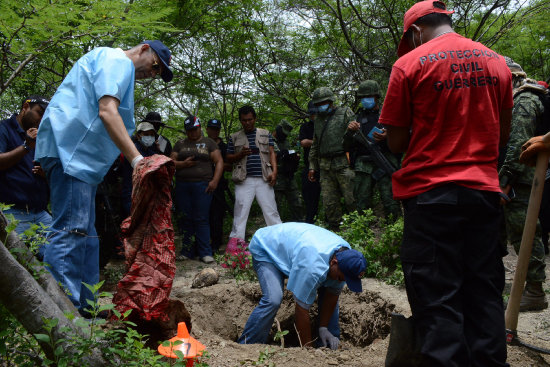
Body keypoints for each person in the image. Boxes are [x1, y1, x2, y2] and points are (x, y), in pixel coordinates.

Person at [379, 1, 513, 366]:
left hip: (430, 196)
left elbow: (396, 142)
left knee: (438, 299)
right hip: (483, 194)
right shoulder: (496, 61)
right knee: (484, 294)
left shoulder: (408, 65)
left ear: (415, 30)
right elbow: (502, 135)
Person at [35, 40, 174, 315]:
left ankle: (86, 306)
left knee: (87, 235)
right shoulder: (116, 61)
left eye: (157, 74)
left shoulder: (116, 67)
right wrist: (138, 161)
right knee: (71, 230)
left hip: (81, 161)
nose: (152, 73)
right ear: (144, 48)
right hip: (70, 154)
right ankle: (62, 311)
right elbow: (107, 111)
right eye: (156, 65)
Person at [237, 222, 367, 349]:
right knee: (273, 299)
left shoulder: (347, 258)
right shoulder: (312, 268)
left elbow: (332, 294)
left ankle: (327, 346)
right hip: (267, 248)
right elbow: (301, 309)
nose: (341, 281)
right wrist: (307, 351)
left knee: (331, 289)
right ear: (334, 262)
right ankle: (248, 344)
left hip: (295, 250)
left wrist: (323, 328)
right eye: (341, 278)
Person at [499, 57, 548, 311]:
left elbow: (518, 143)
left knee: (525, 232)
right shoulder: (516, 100)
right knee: (495, 232)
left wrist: (505, 181)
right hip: (512, 178)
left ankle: (534, 290)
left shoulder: (525, 99)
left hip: (520, 180)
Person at [0, 95, 52, 257]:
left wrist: (46, 174)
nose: (42, 118)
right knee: (22, 263)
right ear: (25, 107)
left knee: (57, 254)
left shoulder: (42, 137)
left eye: (45, 115)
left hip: (40, 212)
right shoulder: (4, 129)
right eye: (39, 112)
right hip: (13, 213)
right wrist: (26, 146)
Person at [225, 105, 282, 253]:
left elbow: (271, 153)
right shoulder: (235, 137)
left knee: (271, 212)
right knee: (240, 214)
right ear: (240, 121)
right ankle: (235, 250)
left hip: (264, 179)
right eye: (244, 120)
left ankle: (280, 244)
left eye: (250, 119)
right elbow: (228, 157)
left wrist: (275, 172)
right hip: (244, 180)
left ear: (254, 119)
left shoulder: (265, 133)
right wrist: (240, 155)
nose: (247, 123)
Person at [343, 80, 401, 219]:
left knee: (390, 200)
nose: (365, 100)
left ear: (376, 97)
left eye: (369, 96)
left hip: (385, 160)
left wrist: (388, 136)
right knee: (361, 202)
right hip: (363, 165)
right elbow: (345, 145)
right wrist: (350, 132)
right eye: (363, 97)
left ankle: (394, 231)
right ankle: (362, 233)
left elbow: (403, 138)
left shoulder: (388, 114)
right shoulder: (356, 118)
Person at [171, 116, 224, 263]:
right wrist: (183, 164)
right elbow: (171, 162)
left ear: (200, 127)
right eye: (189, 130)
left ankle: (205, 252)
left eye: (195, 129)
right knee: (186, 218)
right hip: (182, 185)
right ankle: (187, 251)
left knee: (202, 218)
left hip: (203, 185)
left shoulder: (209, 143)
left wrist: (215, 181)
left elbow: (219, 161)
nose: (192, 133)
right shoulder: (180, 144)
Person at [308, 87, 355, 231]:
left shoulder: (345, 113)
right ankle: (336, 230)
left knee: (351, 199)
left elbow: (356, 138)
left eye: (324, 102)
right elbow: (315, 145)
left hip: (344, 163)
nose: (321, 105)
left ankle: (358, 227)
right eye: (318, 103)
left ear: (330, 101)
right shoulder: (318, 121)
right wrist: (312, 166)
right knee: (329, 202)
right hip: (325, 167)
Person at [121, 121, 161, 217]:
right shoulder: (132, 150)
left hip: (147, 195)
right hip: (131, 193)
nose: (149, 137)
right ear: (138, 136)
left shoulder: (152, 153)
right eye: (146, 134)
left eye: (152, 135)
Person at [206, 118, 232, 252]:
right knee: (205, 215)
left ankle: (217, 242)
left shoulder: (224, 147)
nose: (214, 131)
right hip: (203, 185)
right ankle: (205, 242)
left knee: (218, 215)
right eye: (211, 128)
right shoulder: (201, 144)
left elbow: (230, 166)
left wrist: (217, 163)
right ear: (207, 129)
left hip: (220, 185)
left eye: (216, 129)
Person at [273, 119, 304, 222]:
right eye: (283, 133)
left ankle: (299, 224)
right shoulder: (269, 140)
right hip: (277, 178)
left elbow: (288, 154)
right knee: (275, 206)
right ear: (278, 129)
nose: (284, 135)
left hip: (289, 176)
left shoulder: (285, 141)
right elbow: (278, 155)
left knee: (297, 203)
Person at [299, 101, 321, 224]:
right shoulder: (306, 127)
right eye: (312, 114)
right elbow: (303, 142)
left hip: (326, 164)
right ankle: (310, 220)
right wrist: (317, 142)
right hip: (310, 165)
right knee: (309, 194)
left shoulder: (325, 125)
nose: (314, 116)